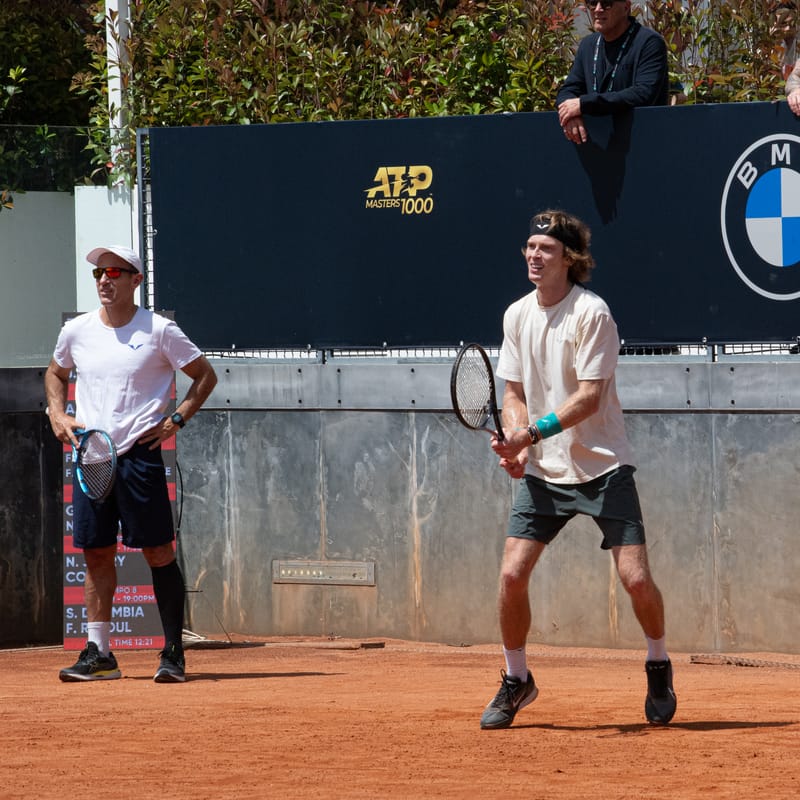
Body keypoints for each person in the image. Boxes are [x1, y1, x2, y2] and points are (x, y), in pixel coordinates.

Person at [479, 210, 676, 730]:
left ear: (570, 259)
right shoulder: (517, 314)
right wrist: (520, 445)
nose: (533, 256)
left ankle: (657, 663)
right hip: (544, 472)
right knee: (510, 574)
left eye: (545, 248)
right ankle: (516, 678)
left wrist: (530, 434)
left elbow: (590, 399)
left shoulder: (593, 314)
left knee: (635, 580)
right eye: (528, 246)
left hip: (604, 467)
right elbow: (514, 394)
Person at [44, 245, 218, 683]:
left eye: (115, 272)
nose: (105, 279)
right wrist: (57, 413)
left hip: (139, 456)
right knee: (96, 554)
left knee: (158, 552)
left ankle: (173, 652)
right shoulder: (76, 330)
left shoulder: (161, 330)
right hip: (91, 456)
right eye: (100, 273)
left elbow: (204, 375)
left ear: (135, 281)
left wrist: (176, 419)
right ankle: (99, 654)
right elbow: (54, 373)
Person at [556, 1, 668, 145]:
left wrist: (584, 104)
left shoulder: (648, 43)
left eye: (607, 3)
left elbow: (643, 94)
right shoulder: (588, 45)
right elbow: (568, 91)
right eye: (592, 3)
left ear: (626, 7)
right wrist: (571, 116)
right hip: (596, 146)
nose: (597, 9)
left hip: (641, 143)